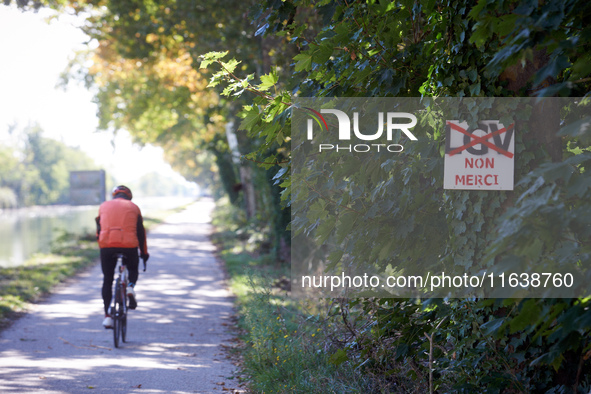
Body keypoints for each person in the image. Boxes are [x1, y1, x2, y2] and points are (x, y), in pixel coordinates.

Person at [96, 185, 149, 329]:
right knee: (132, 268)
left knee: (107, 279)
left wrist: (102, 246)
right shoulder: (134, 207)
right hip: (129, 245)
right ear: (129, 196)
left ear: (114, 195)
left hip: (107, 245)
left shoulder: (103, 206)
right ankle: (130, 287)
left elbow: (98, 230)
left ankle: (107, 317)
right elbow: (141, 234)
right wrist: (144, 254)